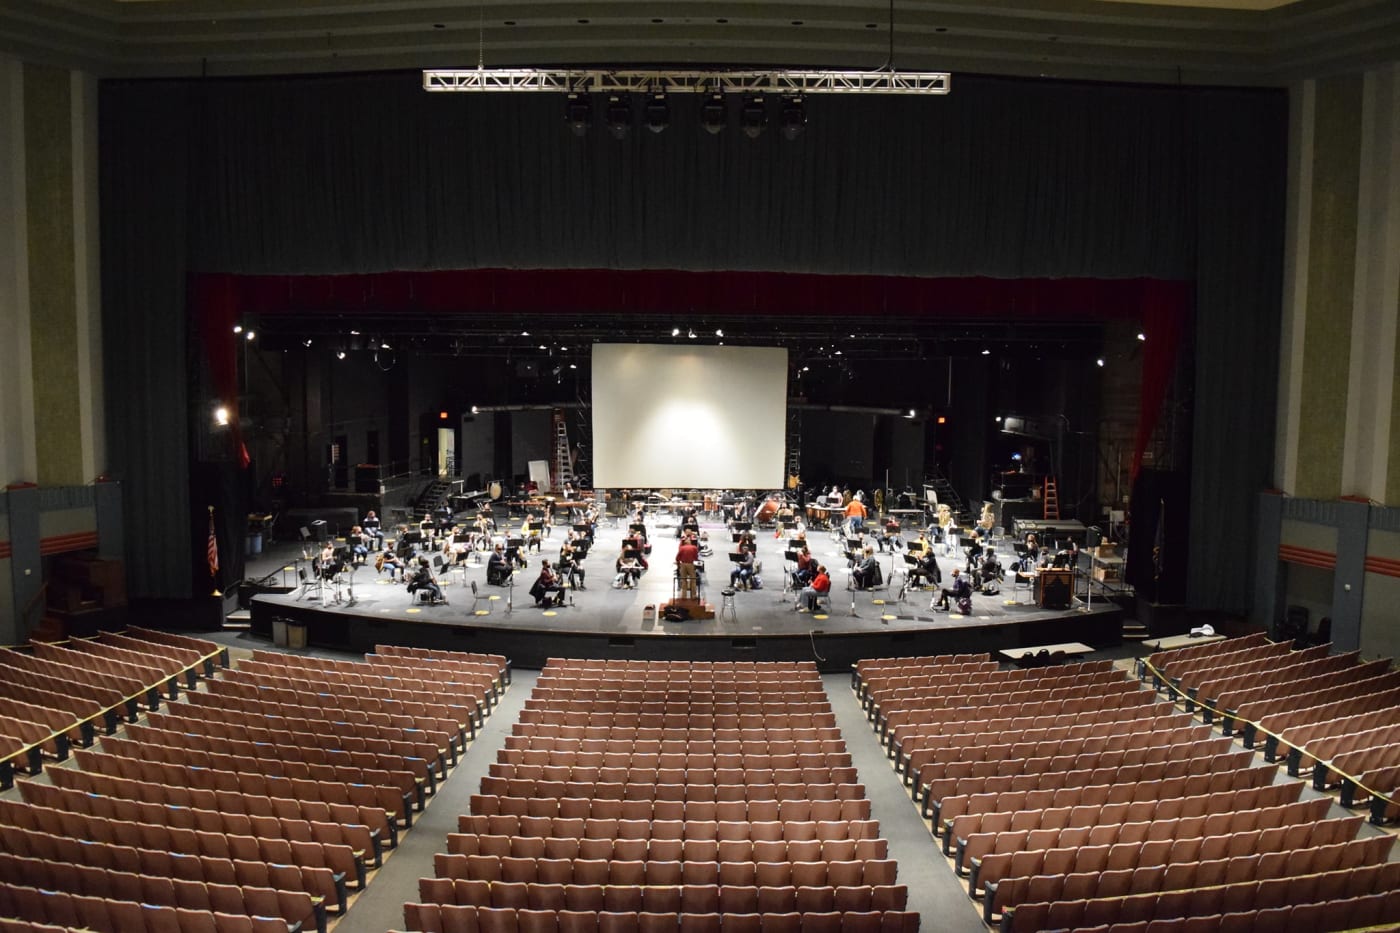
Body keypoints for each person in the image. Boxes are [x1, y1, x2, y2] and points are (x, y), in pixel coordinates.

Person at [676, 533, 701, 599]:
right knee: (693, 580)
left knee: (683, 580)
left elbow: (677, 558)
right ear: (690, 542)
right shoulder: (694, 548)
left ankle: (684, 596)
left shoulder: (681, 548)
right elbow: (696, 558)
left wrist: (678, 565)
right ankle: (693, 596)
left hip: (683, 565)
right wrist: (695, 566)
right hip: (690, 564)